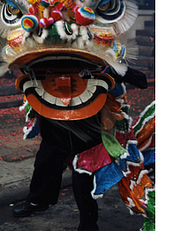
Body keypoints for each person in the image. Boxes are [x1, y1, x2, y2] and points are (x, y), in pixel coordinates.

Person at [12, 67, 149, 231]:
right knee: (44, 164)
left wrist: (115, 70)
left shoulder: (98, 60)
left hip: (87, 130)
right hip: (56, 126)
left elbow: (140, 80)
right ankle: (37, 201)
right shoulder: (49, 53)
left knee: (82, 180)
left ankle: (88, 224)